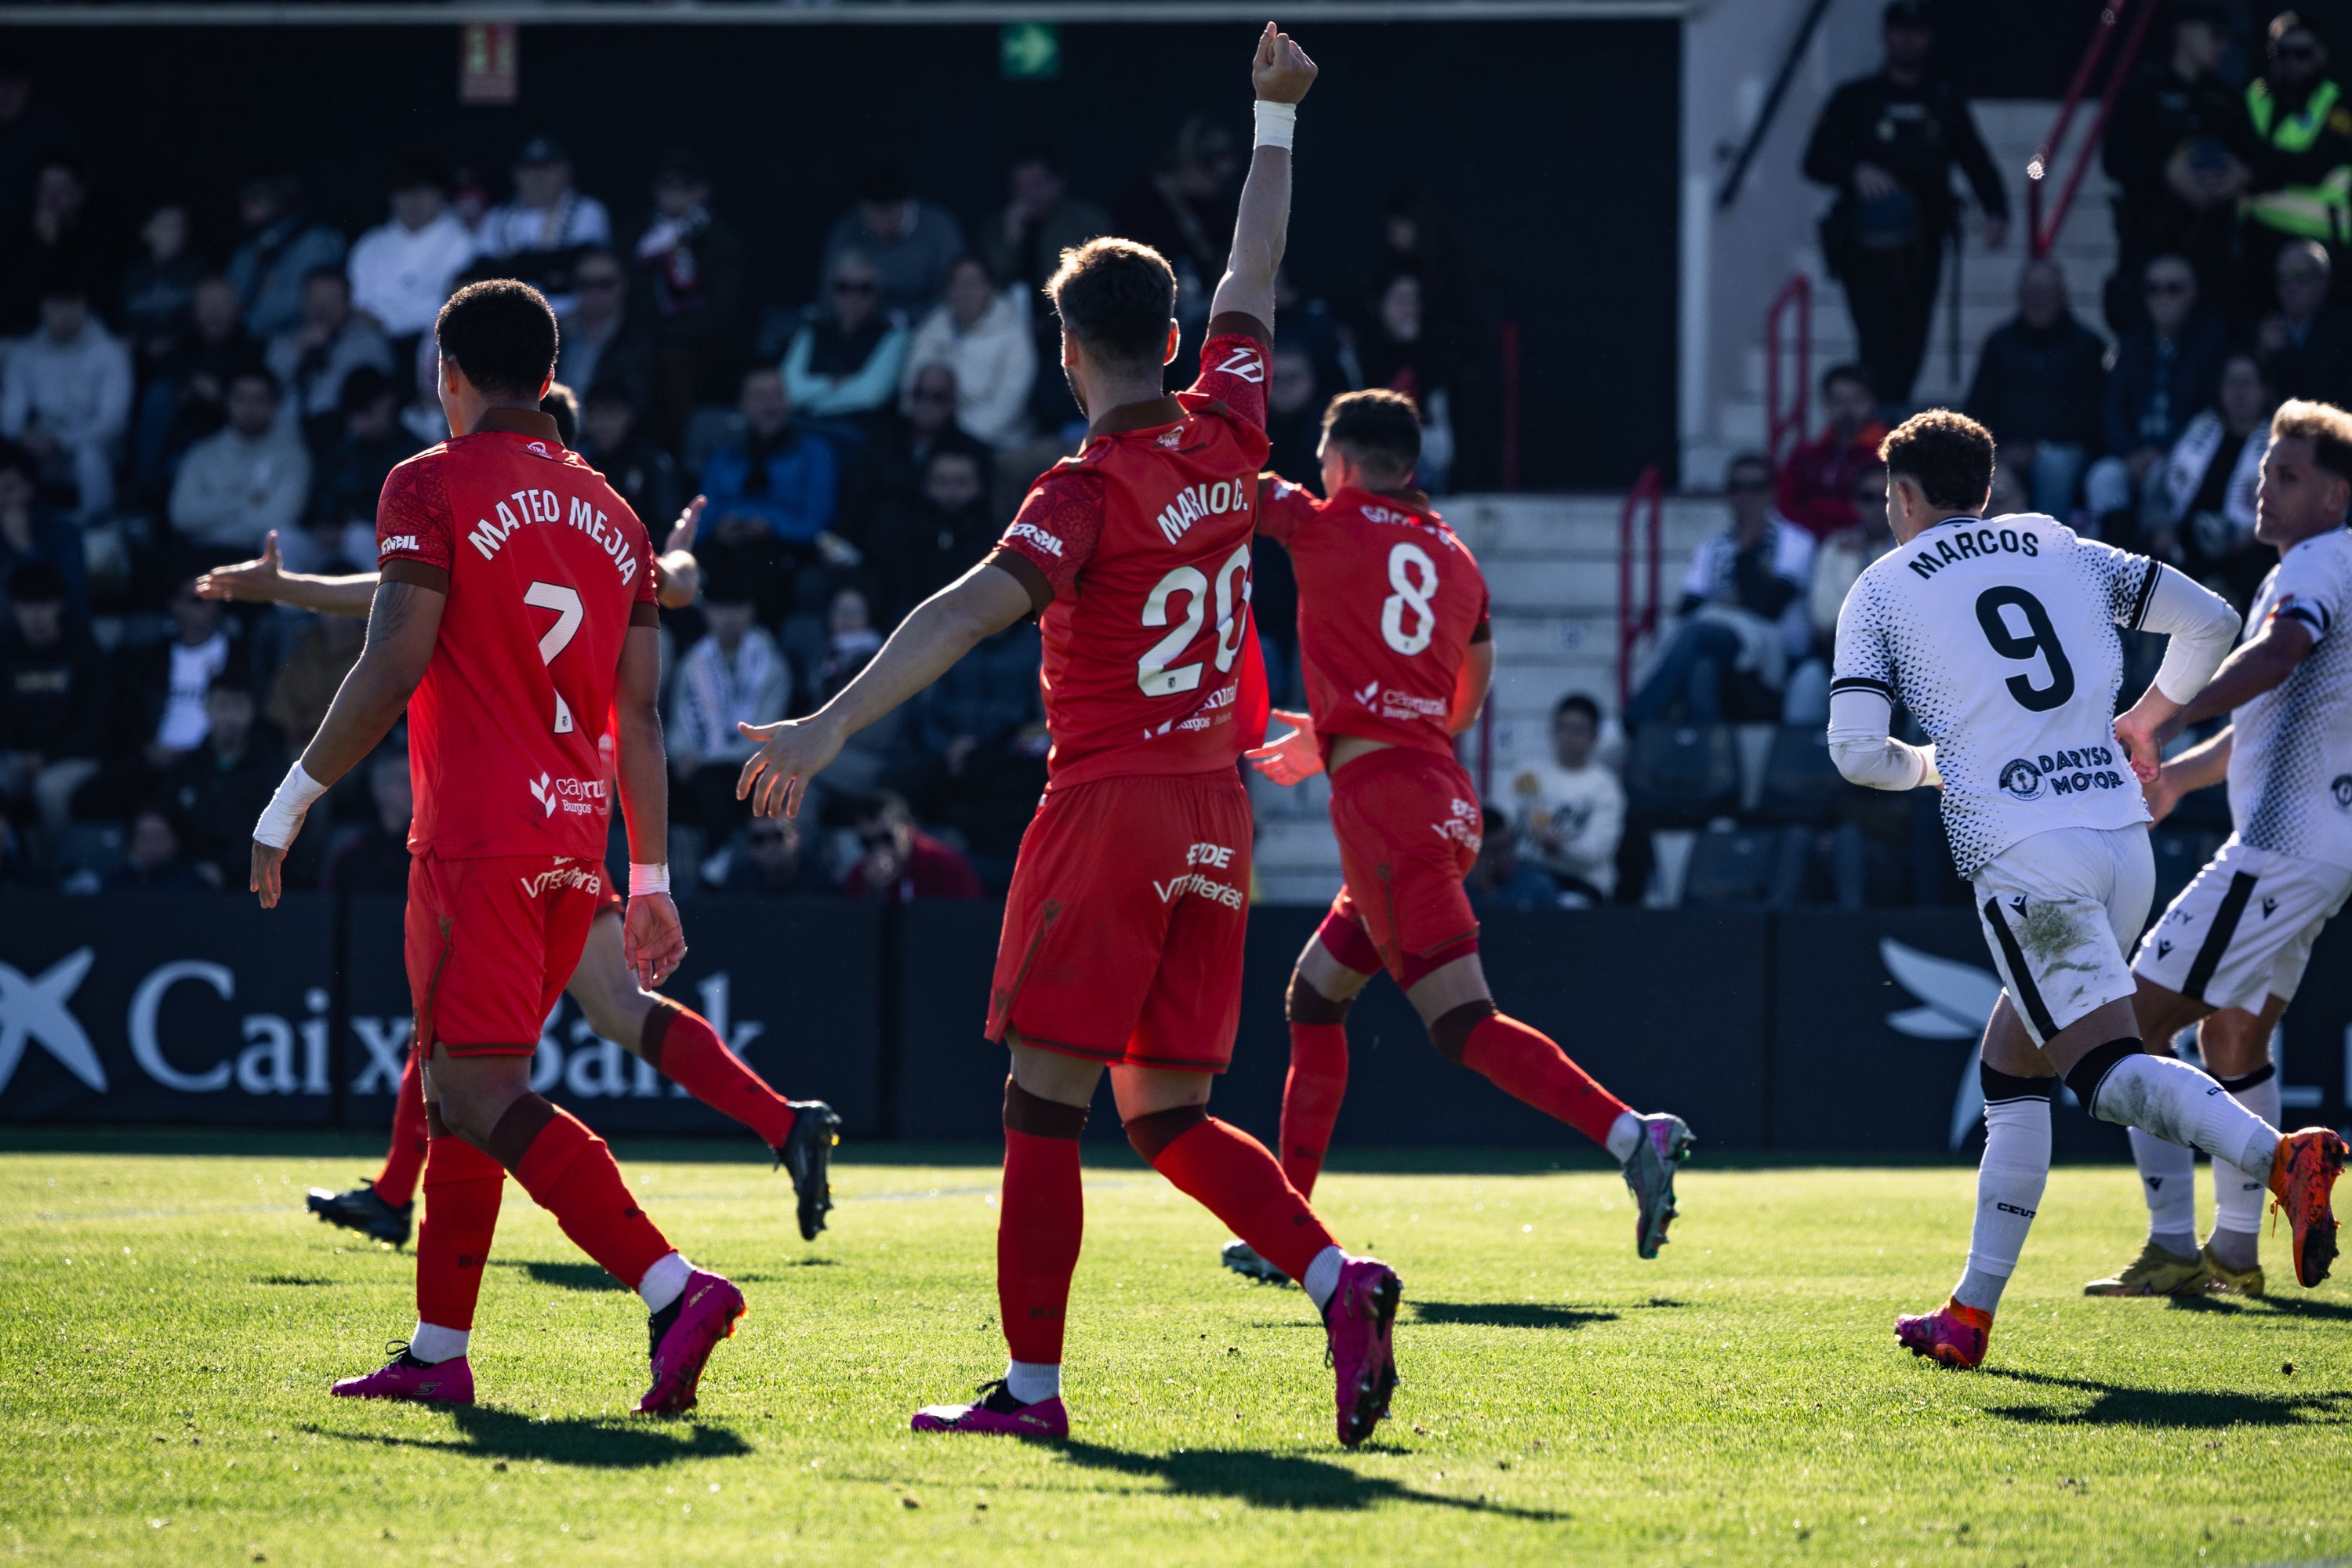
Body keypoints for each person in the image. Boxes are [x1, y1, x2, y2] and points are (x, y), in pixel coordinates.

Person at [735, 27, 1404, 1448]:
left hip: (1109, 810)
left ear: (1063, 353)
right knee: (1162, 1112)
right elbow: (1254, 272)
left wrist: (830, 721)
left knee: (1044, 1105)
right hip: (1219, 817)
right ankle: (1341, 1281)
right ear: (1168, 344)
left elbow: (968, 613)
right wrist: (1275, 120)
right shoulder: (1230, 422)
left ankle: (1031, 1395)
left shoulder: (1082, 489)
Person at [244, 279, 752, 1412]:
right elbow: (645, 716)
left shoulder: (426, 483)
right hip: (575, 845)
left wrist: (288, 801)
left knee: (473, 1095)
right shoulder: (616, 515)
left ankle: (672, 1287)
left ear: (450, 374)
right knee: (465, 1089)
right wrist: (654, 876)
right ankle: (437, 1353)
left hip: (478, 840)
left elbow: (390, 662)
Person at [1824, 407, 2340, 1370]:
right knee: (2013, 1068)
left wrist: (1944, 767)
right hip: (2120, 839)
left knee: (2102, 1073)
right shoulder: (2057, 545)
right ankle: (1968, 1314)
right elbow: (2213, 619)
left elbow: (1855, 753)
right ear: (1984, 491)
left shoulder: (1882, 587)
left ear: (1901, 497)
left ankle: (2281, 1158)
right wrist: (2144, 720)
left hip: (2025, 850)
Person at [1240, 389, 1689, 1276]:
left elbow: (1229, 483)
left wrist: (1347, 737)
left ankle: (1633, 1133)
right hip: (1442, 796)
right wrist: (1350, 732)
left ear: (1338, 459)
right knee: (1316, 996)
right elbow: (1466, 695)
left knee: (1464, 1026)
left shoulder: (1322, 519)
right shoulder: (1458, 559)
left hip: (1388, 813)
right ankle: (1283, 1226)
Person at [2092, 400, 2352, 1300]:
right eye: (2264, 469)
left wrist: (2167, 708)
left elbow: (2281, 653)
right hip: (2321, 853)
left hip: (2278, 850)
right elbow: (2268, 724)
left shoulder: (2314, 566)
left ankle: (2178, 1238)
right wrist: (2175, 777)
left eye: (2288, 474)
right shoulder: (2337, 564)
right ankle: (2235, 1249)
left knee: (2126, 1031)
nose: (2264, 487)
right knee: (2231, 1034)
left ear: (2335, 494)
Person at [1802, 1, 2009, 406]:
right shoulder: (1854, 99)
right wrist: (1855, 171)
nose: (1907, 39)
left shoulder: (1945, 99)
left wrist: (1997, 210)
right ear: (1885, 35)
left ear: (1928, 38)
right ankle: (1873, 427)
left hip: (1923, 241)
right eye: (1899, 30)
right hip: (1864, 245)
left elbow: (1975, 159)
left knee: (1911, 341)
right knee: (1875, 340)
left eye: (1916, 31)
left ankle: (1887, 422)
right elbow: (1814, 161)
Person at [1626, 455, 1815, 725]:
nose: (1747, 496)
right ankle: (1709, 756)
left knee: (1698, 634)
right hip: (1723, 648)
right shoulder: (1711, 548)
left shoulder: (1795, 541)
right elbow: (1687, 608)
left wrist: (1746, 553)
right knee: (1702, 666)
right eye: (1737, 487)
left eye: (1756, 487)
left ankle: (1638, 718)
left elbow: (1769, 606)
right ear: (1728, 494)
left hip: (1775, 651)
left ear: (1771, 492)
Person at [2100, 0, 2246, 328]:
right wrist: (2165, 170)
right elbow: (2113, 159)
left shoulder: (2226, 100)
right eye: (2215, 35)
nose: (2222, 46)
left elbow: (2259, 161)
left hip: (2209, 252)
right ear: (2185, 32)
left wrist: (2240, 175)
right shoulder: (2143, 91)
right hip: (2151, 245)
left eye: (2226, 38)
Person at [2086, 255, 2227, 532]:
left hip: (2185, 454)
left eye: (2173, 289)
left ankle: (2160, 557)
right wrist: (2130, 455)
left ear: (2192, 293)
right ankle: (2110, 558)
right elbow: (2112, 409)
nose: (2163, 297)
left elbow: (2209, 411)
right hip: (2133, 453)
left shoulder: (2211, 344)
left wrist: (2166, 453)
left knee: (2162, 477)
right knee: (2103, 477)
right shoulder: (2130, 344)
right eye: (2153, 289)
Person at [1962, 259, 2108, 518]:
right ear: (2019, 296)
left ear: (2063, 295)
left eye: (2046, 291)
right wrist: (2001, 447)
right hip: (2005, 449)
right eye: (2031, 291)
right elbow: (1977, 408)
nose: (2038, 299)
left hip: (2065, 452)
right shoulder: (1999, 343)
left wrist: (2038, 449)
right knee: (1985, 469)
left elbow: (2091, 415)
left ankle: (2048, 547)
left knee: (2054, 466)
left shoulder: (2087, 346)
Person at [2236, 13, 2352, 327]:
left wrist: (2254, 169)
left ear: (2321, 55)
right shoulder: (2254, 97)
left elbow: (2316, 165)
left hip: (2321, 247)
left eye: (2302, 53)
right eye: (2282, 53)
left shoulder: (2339, 104)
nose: (2292, 62)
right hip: (2259, 246)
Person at [666, 568, 788, 838]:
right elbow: (678, 725)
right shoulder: (692, 663)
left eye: (738, 607)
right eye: (720, 607)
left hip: (751, 763)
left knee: (715, 780)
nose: (729, 618)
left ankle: (720, 860)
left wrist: (705, 759)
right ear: (707, 611)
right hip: (700, 767)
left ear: (751, 610)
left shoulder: (772, 665)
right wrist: (682, 754)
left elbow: (765, 736)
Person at [2147, 352, 2275, 610]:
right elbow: (2162, 490)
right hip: (2183, 549)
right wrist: (2162, 528)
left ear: (2265, 390)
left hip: (2245, 556)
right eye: (2232, 382)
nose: (2239, 392)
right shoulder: (2200, 429)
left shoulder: (2277, 444)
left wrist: (2246, 540)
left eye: (2247, 382)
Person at [1, 270, 131, 520]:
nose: (66, 314)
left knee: (89, 458)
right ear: (43, 307)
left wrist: (63, 441)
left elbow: (113, 421)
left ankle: (97, 532)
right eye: (58, 305)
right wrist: (22, 435)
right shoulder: (25, 355)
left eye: (73, 304)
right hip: (40, 448)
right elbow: (11, 415)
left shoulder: (109, 352)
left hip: (96, 447)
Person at [633, 152, 750, 414]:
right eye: (667, 186)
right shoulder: (638, 238)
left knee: (672, 358)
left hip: (703, 342)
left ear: (702, 191)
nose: (675, 194)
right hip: (647, 336)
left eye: (684, 186)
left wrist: (669, 334)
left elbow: (724, 310)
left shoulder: (721, 241)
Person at [0, 560, 108, 837]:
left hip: (75, 758)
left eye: (44, 604)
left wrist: (48, 756)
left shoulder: (84, 651)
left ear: (59, 604)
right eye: (27, 605)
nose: (36, 615)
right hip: (18, 758)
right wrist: (17, 753)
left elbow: (95, 724)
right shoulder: (8, 653)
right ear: (14, 607)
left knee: (48, 788)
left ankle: (57, 872)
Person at [167, 365, 310, 561]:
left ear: (273, 403)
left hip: (257, 559)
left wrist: (209, 529)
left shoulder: (293, 455)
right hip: (200, 556)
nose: (249, 408)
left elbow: (277, 522)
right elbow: (181, 516)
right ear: (227, 402)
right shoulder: (202, 454)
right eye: (240, 399)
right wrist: (245, 501)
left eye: (259, 399)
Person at [163, 669, 285, 888]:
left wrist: (228, 869)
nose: (230, 717)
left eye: (238, 707)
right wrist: (197, 865)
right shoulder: (186, 769)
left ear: (253, 710)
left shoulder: (273, 767)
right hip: (192, 882)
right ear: (207, 708)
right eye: (222, 707)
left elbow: (277, 830)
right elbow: (175, 827)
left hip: (255, 882)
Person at [902, 254, 1035, 446]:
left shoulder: (1015, 335)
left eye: (972, 283)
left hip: (995, 442)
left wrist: (955, 438)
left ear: (991, 288)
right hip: (927, 436)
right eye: (956, 283)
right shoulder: (933, 325)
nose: (964, 291)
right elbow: (911, 386)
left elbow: (1008, 406)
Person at [1506, 693, 1625, 906]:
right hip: (1527, 873)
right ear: (1553, 731)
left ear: (1595, 737)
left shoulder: (1605, 786)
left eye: (1579, 731)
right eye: (1563, 728)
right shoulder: (1528, 774)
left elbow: (1594, 852)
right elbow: (1503, 820)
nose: (1569, 738)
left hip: (1581, 882)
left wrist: (1560, 846)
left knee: (1562, 904)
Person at [347, 159, 478, 350]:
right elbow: (360, 303)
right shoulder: (369, 245)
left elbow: (448, 304)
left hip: (436, 342)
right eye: (405, 191)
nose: (414, 200)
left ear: (440, 195)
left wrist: (392, 325)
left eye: (423, 190)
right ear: (392, 197)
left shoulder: (462, 242)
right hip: (374, 342)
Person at [266, 267, 394, 454]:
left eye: (331, 300)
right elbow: (264, 391)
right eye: (314, 300)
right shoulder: (284, 342)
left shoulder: (368, 342)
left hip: (340, 443)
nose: (322, 310)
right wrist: (297, 352)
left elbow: (370, 400)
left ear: (348, 302)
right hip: (284, 441)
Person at [476, 136, 611, 312]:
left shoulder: (587, 211)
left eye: (548, 167)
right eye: (530, 167)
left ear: (567, 171)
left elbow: (579, 264)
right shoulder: (497, 217)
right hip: (509, 316)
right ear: (515, 174)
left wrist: (517, 267)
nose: (539, 176)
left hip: (571, 317)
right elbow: (484, 270)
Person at [867, 446, 997, 625]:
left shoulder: (999, 538)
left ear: (980, 486)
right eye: (942, 482)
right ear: (926, 485)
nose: (951, 493)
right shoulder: (902, 535)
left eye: (961, 482)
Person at [819, 162, 966, 317]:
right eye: (870, 218)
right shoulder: (847, 229)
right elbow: (828, 293)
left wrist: (903, 320)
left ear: (906, 204)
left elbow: (953, 294)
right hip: (862, 328)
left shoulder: (940, 228)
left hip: (925, 328)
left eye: (887, 216)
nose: (878, 227)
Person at [781, 250, 908, 423]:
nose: (853, 297)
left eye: (864, 289)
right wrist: (833, 382)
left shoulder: (894, 337)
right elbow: (787, 390)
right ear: (832, 291)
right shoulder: (810, 333)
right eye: (844, 287)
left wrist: (815, 399)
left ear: (878, 293)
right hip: (803, 426)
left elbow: (870, 395)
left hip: (858, 432)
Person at [227, 172, 346, 342]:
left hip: (296, 340)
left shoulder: (315, 241)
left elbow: (304, 301)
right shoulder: (249, 248)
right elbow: (231, 293)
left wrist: (246, 323)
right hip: (244, 341)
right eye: (243, 199)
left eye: (254, 198)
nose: (245, 207)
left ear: (278, 198)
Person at [979, 148, 1111, 297]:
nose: (1027, 193)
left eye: (1035, 184)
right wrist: (1011, 242)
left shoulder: (1086, 222)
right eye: (1019, 186)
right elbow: (990, 282)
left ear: (1058, 183)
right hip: (1010, 316)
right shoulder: (997, 225)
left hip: (1073, 311)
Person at [1777, 364, 1889, 539]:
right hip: (1807, 538)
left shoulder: (1888, 456)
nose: (1847, 409)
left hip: (1866, 540)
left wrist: (1818, 509)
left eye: (1856, 400)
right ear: (1826, 404)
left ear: (1872, 403)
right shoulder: (1805, 455)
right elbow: (1785, 505)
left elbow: (1883, 510)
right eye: (1838, 401)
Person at [554, 249, 656, 417]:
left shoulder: (640, 340)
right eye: (585, 284)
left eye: (605, 284)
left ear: (623, 285)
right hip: (553, 432)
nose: (595, 293)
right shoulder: (556, 334)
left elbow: (639, 403)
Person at [2255, 239, 2352, 407]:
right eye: (2283, 276)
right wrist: (2260, 351)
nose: (2291, 286)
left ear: (2323, 281)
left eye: (2301, 275)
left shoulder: (2344, 330)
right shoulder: (2264, 329)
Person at [839, 790, 982, 902]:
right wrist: (871, 890)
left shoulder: (947, 867)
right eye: (868, 843)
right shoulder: (861, 876)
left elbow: (968, 922)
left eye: (888, 838)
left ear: (909, 830)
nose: (880, 849)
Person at [0, 438, 86, 617]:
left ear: (30, 487)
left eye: (9, 489)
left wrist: (26, 549)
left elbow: (71, 605)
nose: (1, 501)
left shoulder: (64, 533)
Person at [578, 382, 681, 529]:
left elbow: (667, 522)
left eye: (610, 413)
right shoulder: (581, 463)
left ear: (629, 416)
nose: (602, 424)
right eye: (594, 414)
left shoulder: (652, 463)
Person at [121, 200, 207, 375]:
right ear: (146, 231)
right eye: (167, 226)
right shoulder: (133, 276)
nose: (175, 232)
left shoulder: (200, 271)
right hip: (140, 364)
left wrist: (173, 342)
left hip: (188, 361)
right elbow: (126, 324)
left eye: (180, 226)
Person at [322, 743, 416, 895]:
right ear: (378, 788)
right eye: (403, 779)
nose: (412, 787)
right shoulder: (350, 849)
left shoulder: (428, 849)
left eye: (417, 778)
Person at [710, 814, 833, 896]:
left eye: (778, 836)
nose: (770, 846)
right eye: (758, 839)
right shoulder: (738, 883)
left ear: (797, 837)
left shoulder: (822, 879)